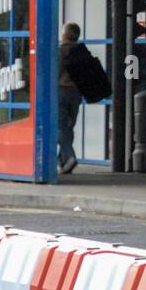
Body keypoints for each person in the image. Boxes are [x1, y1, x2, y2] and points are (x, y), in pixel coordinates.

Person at [58, 22, 110, 175]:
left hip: (60, 91)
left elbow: (54, 73)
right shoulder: (82, 51)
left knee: (59, 126)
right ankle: (64, 162)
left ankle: (70, 157)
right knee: (69, 127)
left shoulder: (60, 51)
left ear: (64, 35)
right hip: (76, 93)